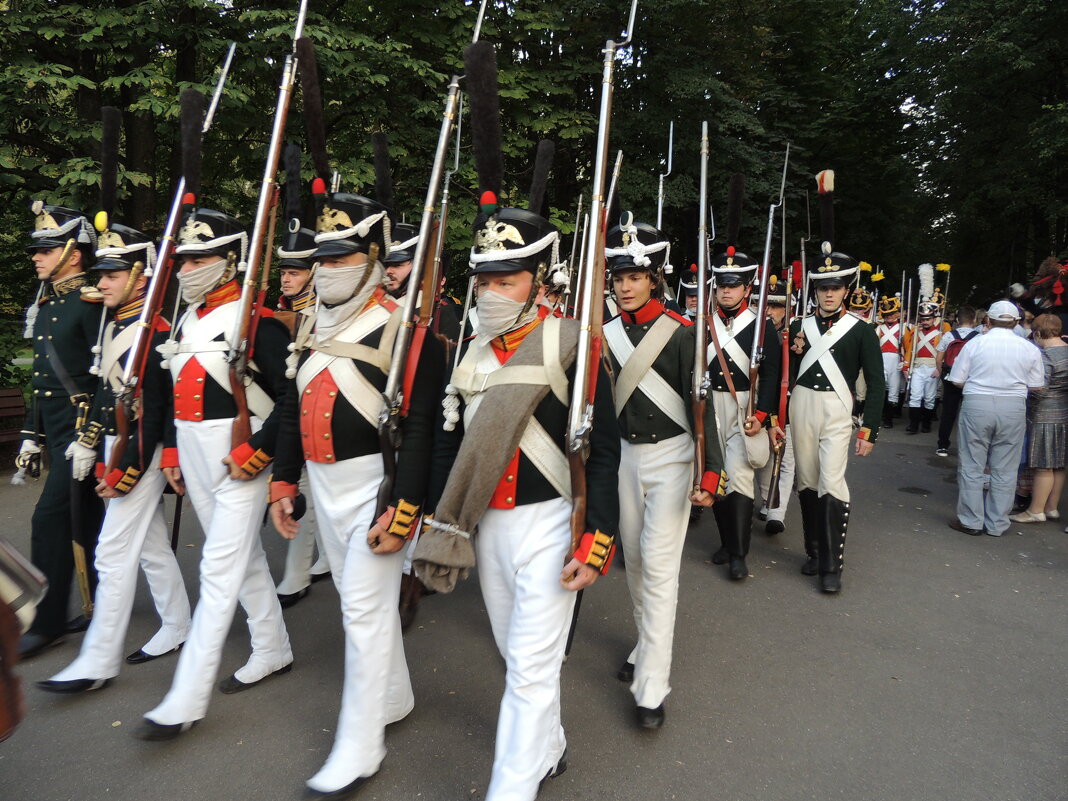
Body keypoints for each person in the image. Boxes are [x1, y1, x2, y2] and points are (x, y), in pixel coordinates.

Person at [419, 198, 619, 800]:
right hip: (489, 528)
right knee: (517, 657)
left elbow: (603, 452)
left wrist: (596, 537)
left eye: (506, 280)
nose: (492, 292)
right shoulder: (468, 349)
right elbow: (448, 446)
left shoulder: (572, 343)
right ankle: (549, 744)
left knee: (530, 667)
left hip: (553, 521)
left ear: (537, 281)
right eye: (484, 281)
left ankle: (510, 789)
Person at [269, 192, 444, 798]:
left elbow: (421, 430)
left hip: (377, 487)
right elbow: (292, 410)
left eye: (341, 259)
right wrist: (284, 480)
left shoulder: (407, 330)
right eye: (322, 259)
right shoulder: (313, 323)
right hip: (323, 485)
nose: (326, 269)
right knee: (353, 601)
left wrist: (406, 509)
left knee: (364, 614)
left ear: (372, 259)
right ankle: (394, 695)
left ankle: (359, 743)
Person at [136, 207, 292, 740]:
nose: (186, 268)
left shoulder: (258, 321)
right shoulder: (187, 318)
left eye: (200, 258)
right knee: (240, 558)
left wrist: (259, 454)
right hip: (195, 449)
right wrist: (175, 453)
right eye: (183, 259)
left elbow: (289, 400)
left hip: (239, 450)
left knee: (219, 566)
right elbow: (175, 393)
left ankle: (186, 694)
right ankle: (273, 646)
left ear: (230, 261)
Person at [37, 219, 192, 694]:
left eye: (113, 274)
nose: (100, 282)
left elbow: (155, 412)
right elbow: (105, 397)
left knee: (111, 551)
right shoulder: (117, 322)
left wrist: (124, 470)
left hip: (140, 452)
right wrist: (92, 443)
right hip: (117, 445)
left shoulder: (153, 331)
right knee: (149, 545)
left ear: (141, 277)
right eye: (100, 272)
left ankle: (97, 661)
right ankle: (179, 621)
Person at [602, 217, 724, 728]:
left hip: (673, 457)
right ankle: (644, 641)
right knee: (634, 559)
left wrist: (711, 472)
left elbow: (704, 409)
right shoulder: (604, 334)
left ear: (655, 278)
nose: (625, 286)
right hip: (623, 459)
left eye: (635, 276)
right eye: (618, 277)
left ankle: (651, 682)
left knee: (659, 565)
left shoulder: (682, 334)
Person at [787, 169, 884, 593]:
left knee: (831, 482)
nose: (829, 294)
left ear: (848, 288)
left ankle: (832, 564)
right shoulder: (799, 324)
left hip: (838, 409)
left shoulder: (862, 330)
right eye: (823, 287)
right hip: (801, 406)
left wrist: (870, 430)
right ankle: (813, 550)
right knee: (807, 481)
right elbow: (785, 375)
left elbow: (876, 384)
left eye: (836, 287)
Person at [16, 204, 106, 658]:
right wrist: (31, 434)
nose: (37, 256)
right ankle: (102, 603)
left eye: (46, 249)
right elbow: (42, 378)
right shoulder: (47, 302)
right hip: (54, 428)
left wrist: (91, 435)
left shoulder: (90, 304)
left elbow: (107, 377)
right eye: (37, 249)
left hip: (82, 430)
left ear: (74, 252)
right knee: (87, 522)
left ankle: (46, 621)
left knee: (49, 519)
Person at [705, 179, 780, 581]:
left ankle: (739, 554)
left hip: (744, 405)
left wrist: (763, 412)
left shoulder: (762, 326)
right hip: (709, 405)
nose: (726, 290)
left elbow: (771, 374)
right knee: (714, 473)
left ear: (748, 287)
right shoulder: (704, 323)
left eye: (733, 285)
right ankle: (726, 541)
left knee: (740, 474)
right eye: (721, 284)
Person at [947, 300, 1045, 537]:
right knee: (1006, 467)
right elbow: (1037, 385)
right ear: (1016, 322)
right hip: (1012, 406)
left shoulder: (975, 344)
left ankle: (971, 520)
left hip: (978, 402)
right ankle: (997, 523)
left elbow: (957, 379)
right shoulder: (1028, 347)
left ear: (988, 320)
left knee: (972, 463)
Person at [272, 224, 331, 607]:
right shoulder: (278, 309)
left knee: (305, 491)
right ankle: (325, 556)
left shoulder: (323, 314)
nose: (287, 278)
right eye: (284, 272)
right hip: (280, 406)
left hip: (313, 406)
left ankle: (296, 577)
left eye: (295, 272)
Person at [1009, 314, 1068, 523]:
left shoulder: (1046, 355)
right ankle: (1051, 507)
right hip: (1063, 412)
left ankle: (1036, 510)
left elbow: (1039, 389)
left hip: (1043, 414)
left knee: (1044, 465)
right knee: (1058, 463)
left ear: (1039, 333)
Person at [758, 278, 794, 535]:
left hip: (788, 402)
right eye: (767, 305)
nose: (770, 311)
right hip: (761, 400)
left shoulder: (798, 333)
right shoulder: (757, 333)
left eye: (776, 305)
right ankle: (765, 498)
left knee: (786, 457)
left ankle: (776, 512)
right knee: (763, 456)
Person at [934, 305, 979, 457]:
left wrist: (941, 372)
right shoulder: (979, 337)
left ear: (957, 320)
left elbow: (939, 359)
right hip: (971, 379)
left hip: (950, 377)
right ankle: (967, 447)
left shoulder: (948, 335)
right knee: (970, 414)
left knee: (948, 412)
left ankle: (942, 445)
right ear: (974, 320)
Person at [902, 301, 943, 434]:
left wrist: (939, 369)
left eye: (928, 319)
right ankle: (913, 425)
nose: (925, 322)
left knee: (930, 398)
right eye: (923, 319)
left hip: (932, 367)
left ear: (933, 319)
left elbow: (942, 354)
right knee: (915, 396)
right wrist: (906, 367)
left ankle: (926, 424)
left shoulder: (939, 335)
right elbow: (910, 351)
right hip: (918, 367)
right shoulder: (916, 333)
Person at [874, 294, 904, 428]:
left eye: (892, 314)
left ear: (897, 313)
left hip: (896, 359)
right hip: (881, 358)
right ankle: (879, 415)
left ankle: (889, 418)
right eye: (887, 315)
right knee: (880, 387)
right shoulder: (879, 328)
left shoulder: (904, 328)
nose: (889, 317)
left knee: (894, 388)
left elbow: (907, 348)